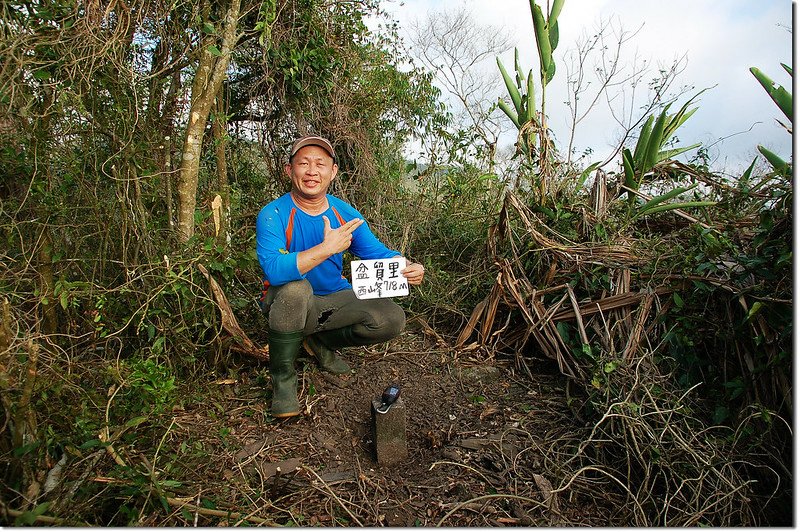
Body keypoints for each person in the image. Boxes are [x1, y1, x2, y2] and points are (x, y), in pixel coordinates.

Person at [255, 135, 425, 418]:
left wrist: (406, 265)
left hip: (332, 299)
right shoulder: (273, 213)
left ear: (332, 172)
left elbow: (376, 252)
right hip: (289, 302)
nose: (312, 171)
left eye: (320, 164)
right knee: (296, 289)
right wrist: (325, 249)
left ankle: (320, 343)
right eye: (303, 164)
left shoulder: (343, 212)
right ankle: (283, 381)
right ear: (289, 170)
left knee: (391, 317)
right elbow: (274, 269)